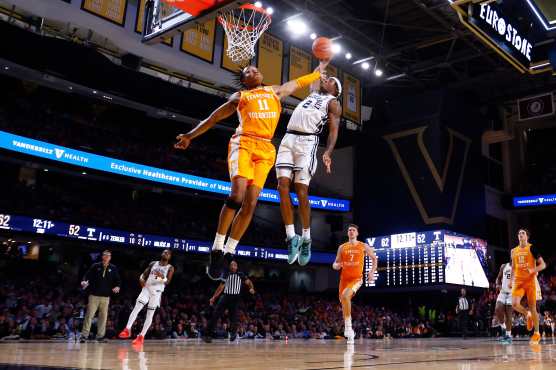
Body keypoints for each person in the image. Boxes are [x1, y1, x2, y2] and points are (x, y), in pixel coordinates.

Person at [175, 59, 330, 280]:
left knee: (250, 203)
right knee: (237, 194)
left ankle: (229, 251)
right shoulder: (240, 97)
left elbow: (298, 82)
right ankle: (217, 247)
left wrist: (319, 71)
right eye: (249, 71)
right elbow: (214, 117)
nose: (255, 70)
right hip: (244, 143)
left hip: (266, 149)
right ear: (244, 80)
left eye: (256, 69)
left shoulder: (274, 92)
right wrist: (190, 136)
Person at [276, 69, 342, 266]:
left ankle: (306, 238)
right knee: (281, 187)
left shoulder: (333, 103)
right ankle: (291, 237)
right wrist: (321, 66)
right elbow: (315, 75)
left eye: (330, 80)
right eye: (326, 79)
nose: (326, 80)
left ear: (335, 90)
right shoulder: (314, 93)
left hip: (307, 143)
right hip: (288, 138)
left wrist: (328, 151)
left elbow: (333, 130)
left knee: (301, 191)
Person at [118, 249, 174, 346]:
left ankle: (141, 336)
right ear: (161, 254)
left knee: (150, 314)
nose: (166, 254)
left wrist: (161, 277)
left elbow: (168, 281)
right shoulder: (153, 263)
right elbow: (144, 275)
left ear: (170, 257)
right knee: (136, 308)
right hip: (147, 288)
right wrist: (141, 279)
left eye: (168, 253)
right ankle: (127, 329)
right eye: (165, 252)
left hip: (157, 292)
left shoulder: (170, 267)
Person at [332, 224, 377, 343]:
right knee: (344, 302)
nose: (351, 231)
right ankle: (350, 332)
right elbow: (336, 263)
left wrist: (372, 272)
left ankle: (348, 328)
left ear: (357, 233)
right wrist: (336, 266)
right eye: (349, 230)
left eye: (353, 230)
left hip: (356, 279)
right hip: (344, 280)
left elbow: (374, 259)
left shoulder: (363, 246)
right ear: (347, 233)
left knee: (346, 296)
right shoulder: (342, 247)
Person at [203, 260, 255, 343]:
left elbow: (249, 282)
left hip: (236, 298)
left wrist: (251, 288)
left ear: (237, 267)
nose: (233, 266)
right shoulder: (226, 274)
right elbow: (220, 287)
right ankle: (207, 335)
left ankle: (233, 333)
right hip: (226, 296)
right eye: (231, 265)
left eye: (234, 265)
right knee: (216, 315)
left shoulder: (241, 274)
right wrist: (214, 297)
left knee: (234, 317)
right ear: (229, 267)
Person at [510, 228, 546, 345]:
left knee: (533, 307)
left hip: (530, 282)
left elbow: (543, 265)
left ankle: (536, 333)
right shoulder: (513, 251)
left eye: (523, 233)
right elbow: (514, 267)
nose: (520, 235)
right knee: (514, 304)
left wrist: (533, 270)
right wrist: (511, 280)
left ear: (527, 236)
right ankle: (527, 314)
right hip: (519, 282)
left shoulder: (532, 248)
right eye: (519, 233)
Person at [80, 250, 121, 342]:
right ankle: (84, 335)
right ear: (102, 256)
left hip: (106, 297)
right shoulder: (95, 266)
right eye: (105, 255)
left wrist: (117, 286)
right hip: (94, 295)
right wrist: (84, 281)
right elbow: (87, 276)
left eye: (108, 256)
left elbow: (118, 280)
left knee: (103, 317)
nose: (106, 257)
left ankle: (100, 336)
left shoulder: (113, 268)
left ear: (110, 258)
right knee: (89, 315)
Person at [495, 261, 513, 343]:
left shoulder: (519, 267)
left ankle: (508, 336)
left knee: (508, 315)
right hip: (503, 292)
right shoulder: (504, 266)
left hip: (512, 293)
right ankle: (503, 327)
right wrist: (498, 284)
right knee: (498, 309)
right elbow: (498, 278)